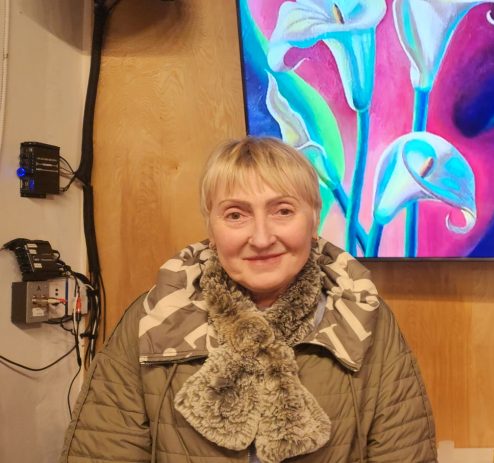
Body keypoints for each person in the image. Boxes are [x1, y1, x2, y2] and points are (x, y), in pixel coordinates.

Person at [60, 137, 437, 462]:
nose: (261, 238)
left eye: (283, 211)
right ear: (211, 228)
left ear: (313, 220)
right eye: (236, 215)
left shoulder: (365, 320)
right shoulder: (154, 319)